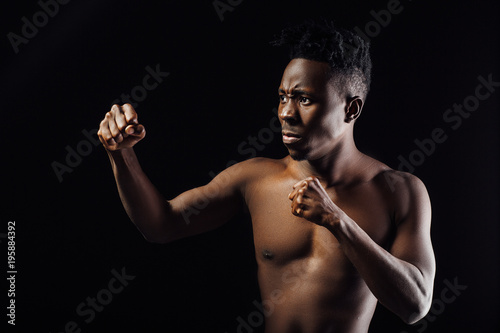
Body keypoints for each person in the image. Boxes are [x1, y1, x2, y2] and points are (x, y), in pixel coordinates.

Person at [97, 20, 435, 333]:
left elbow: (415, 305)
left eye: (305, 99)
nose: (286, 113)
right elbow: (161, 225)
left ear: (351, 109)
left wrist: (337, 221)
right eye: (283, 97)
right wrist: (121, 154)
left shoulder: (399, 191)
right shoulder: (255, 179)